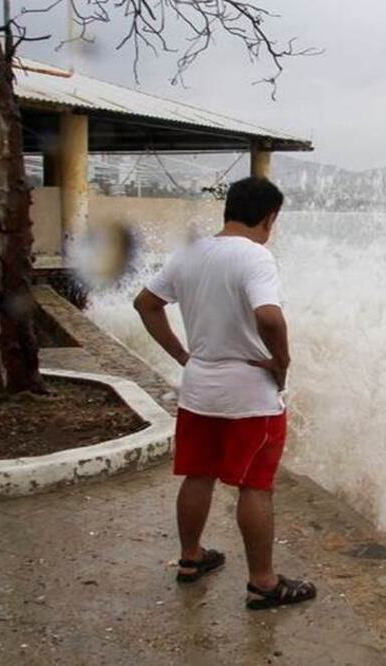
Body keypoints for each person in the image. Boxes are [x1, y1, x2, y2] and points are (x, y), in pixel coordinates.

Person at [133, 176, 316, 610]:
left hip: (199, 388)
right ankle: (264, 583)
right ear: (270, 217)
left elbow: (145, 303)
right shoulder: (256, 257)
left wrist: (182, 354)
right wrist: (281, 362)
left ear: (228, 209)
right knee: (255, 486)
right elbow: (269, 317)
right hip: (250, 395)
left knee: (198, 474)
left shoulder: (190, 253)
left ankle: (191, 559)